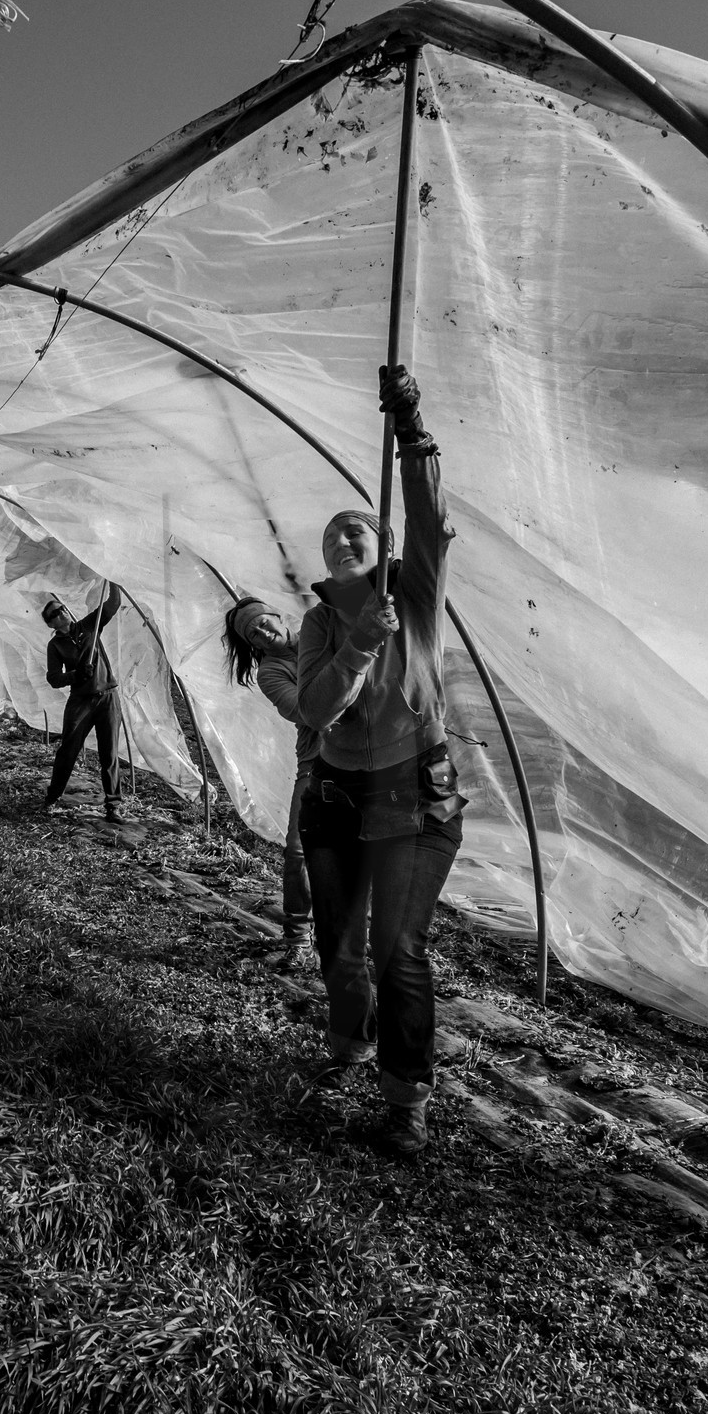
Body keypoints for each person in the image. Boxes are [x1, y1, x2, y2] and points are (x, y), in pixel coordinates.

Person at [295, 366, 467, 1156]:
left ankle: (405, 1099)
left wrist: (411, 431)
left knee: (400, 952)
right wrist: (362, 641)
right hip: (337, 795)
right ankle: (350, 1047)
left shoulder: (416, 598)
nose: (341, 537)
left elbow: (431, 521)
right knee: (340, 948)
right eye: (331, 535)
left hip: (411, 795)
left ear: (382, 542)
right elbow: (316, 708)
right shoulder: (321, 623)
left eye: (355, 527)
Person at [223, 597, 316, 970]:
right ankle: (297, 936)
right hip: (318, 760)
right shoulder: (271, 672)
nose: (263, 633)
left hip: (370, 755)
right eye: (253, 634)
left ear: (278, 616)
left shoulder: (319, 632)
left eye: (263, 622)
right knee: (298, 851)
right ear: (253, 646)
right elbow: (304, 711)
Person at [41, 584, 124, 824]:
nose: (62, 613)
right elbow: (54, 679)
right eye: (55, 614)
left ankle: (113, 806)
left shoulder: (89, 626)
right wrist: (77, 674)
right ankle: (52, 797)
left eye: (62, 609)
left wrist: (113, 579)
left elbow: (113, 604)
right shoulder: (55, 646)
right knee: (68, 749)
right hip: (81, 701)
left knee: (109, 753)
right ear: (51, 624)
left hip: (107, 696)